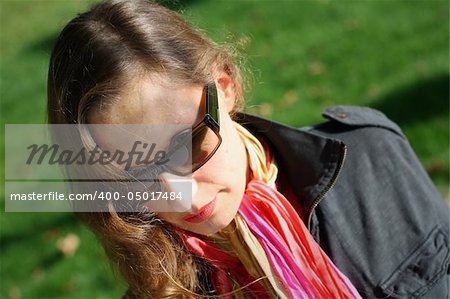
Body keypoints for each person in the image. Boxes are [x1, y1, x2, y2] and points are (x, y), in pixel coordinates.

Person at [47, 0, 450, 298]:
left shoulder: (373, 154)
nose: (174, 193)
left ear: (225, 89)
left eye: (188, 144)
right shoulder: (159, 290)